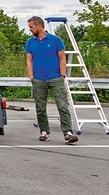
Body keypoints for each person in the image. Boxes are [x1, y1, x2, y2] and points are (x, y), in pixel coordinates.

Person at [26, 16, 79, 144]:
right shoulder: (30, 42)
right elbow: (29, 60)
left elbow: (62, 58)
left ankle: (68, 133)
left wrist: (62, 75)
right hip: (38, 79)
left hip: (55, 78)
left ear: (39, 26)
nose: (30, 29)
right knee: (40, 108)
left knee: (62, 106)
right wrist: (32, 77)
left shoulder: (56, 40)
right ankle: (44, 132)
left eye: (31, 27)